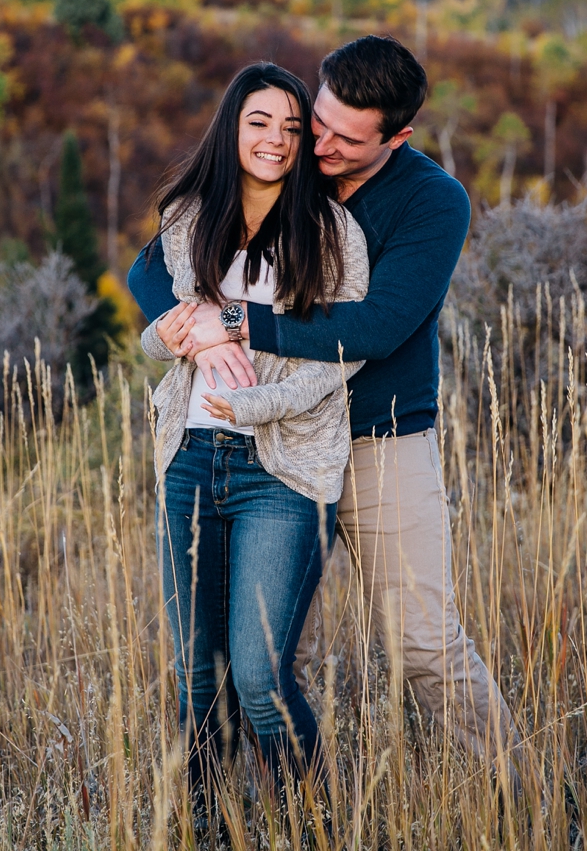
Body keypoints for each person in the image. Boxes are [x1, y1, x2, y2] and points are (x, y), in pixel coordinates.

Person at [129, 35, 523, 779]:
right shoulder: (286, 150)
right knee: (269, 660)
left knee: (423, 645)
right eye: (321, 122)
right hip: (269, 447)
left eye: (348, 137)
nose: (323, 143)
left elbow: (374, 327)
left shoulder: (431, 201)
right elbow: (151, 265)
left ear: (397, 137)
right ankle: (263, 817)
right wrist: (193, 330)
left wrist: (236, 322)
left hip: (378, 441)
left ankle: (524, 800)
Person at [137, 62, 371, 813]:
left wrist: (261, 406)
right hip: (190, 461)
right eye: (259, 123)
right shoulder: (187, 218)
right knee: (195, 679)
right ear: (231, 128)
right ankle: (200, 828)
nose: (276, 140)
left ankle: (322, 828)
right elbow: (168, 333)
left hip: (284, 472)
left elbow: (344, 351)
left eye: (292, 128)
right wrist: (181, 342)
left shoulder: (332, 231)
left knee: (260, 679)